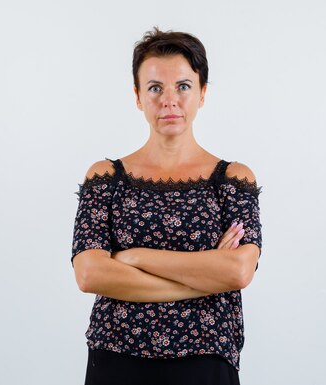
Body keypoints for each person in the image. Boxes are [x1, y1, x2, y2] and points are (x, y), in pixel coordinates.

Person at [71, 27, 263, 385]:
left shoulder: (233, 181)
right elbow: (90, 275)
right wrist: (206, 277)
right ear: (138, 96)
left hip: (206, 360)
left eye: (184, 86)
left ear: (203, 93)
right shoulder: (106, 178)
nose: (169, 100)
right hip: (116, 359)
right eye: (155, 87)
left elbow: (237, 272)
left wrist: (134, 257)